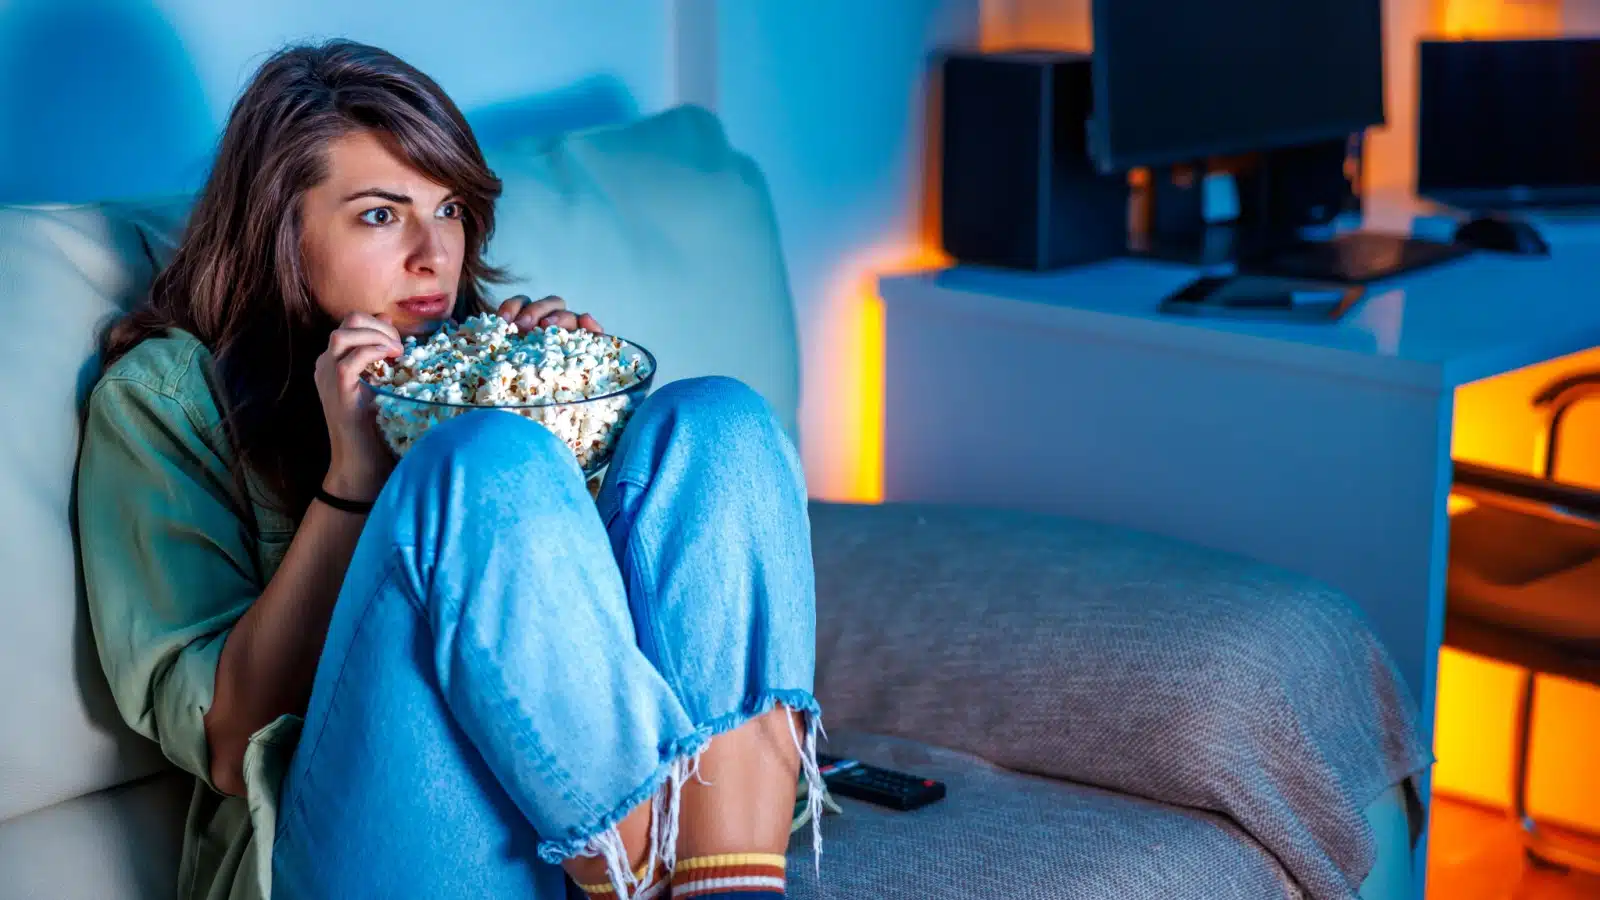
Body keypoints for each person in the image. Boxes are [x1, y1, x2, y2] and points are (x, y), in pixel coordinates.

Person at [75, 39, 825, 900]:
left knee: (719, 420)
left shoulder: (474, 359)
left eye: (452, 209)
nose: (435, 255)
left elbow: (596, 641)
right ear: (280, 228)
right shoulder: (166, 398)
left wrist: (571, 418)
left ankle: (713, 878)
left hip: (551, 826)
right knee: (485, 458)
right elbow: (227, 739)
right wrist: (355, 475)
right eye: (380, 215)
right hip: (374, 832)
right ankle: (661, 857)